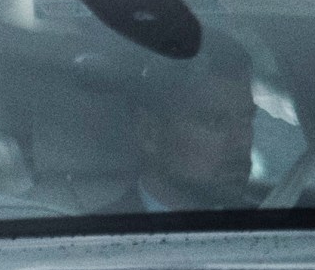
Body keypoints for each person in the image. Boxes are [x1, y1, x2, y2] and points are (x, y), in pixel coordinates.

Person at [106, 36, 256, 213]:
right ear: (149, 133)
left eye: (247, 119)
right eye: (216, 122)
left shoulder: (274, 224)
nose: (243, 141)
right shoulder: (93, 236)